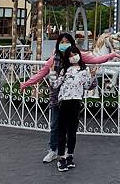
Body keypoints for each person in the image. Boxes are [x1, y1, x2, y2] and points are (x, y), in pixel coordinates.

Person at [20, 32, 119, 163]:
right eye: (62, 42)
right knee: (55, 124)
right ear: (58, 44)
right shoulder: (53, 60)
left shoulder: (77, 56)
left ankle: (67, 150)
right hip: (58, 97)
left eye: (67, 42)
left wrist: (111, 55)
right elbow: (41, 74)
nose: (64, 44)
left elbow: (95, 60)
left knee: (69, 126)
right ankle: (53, 150)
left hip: (72, 98)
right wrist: (27, 83)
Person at [48, 44, 94, 172]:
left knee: (72, 131)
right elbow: (55, 84)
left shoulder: (84, 70)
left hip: (76, 101)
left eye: (75, 54)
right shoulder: (65, 70)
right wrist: (52, 72)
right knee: (62, 130)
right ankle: (61, 157)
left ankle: (70, 155)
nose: (73, 57)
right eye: (70, 55)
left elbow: (87, 86)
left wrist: (92, 76)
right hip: (65, 101)